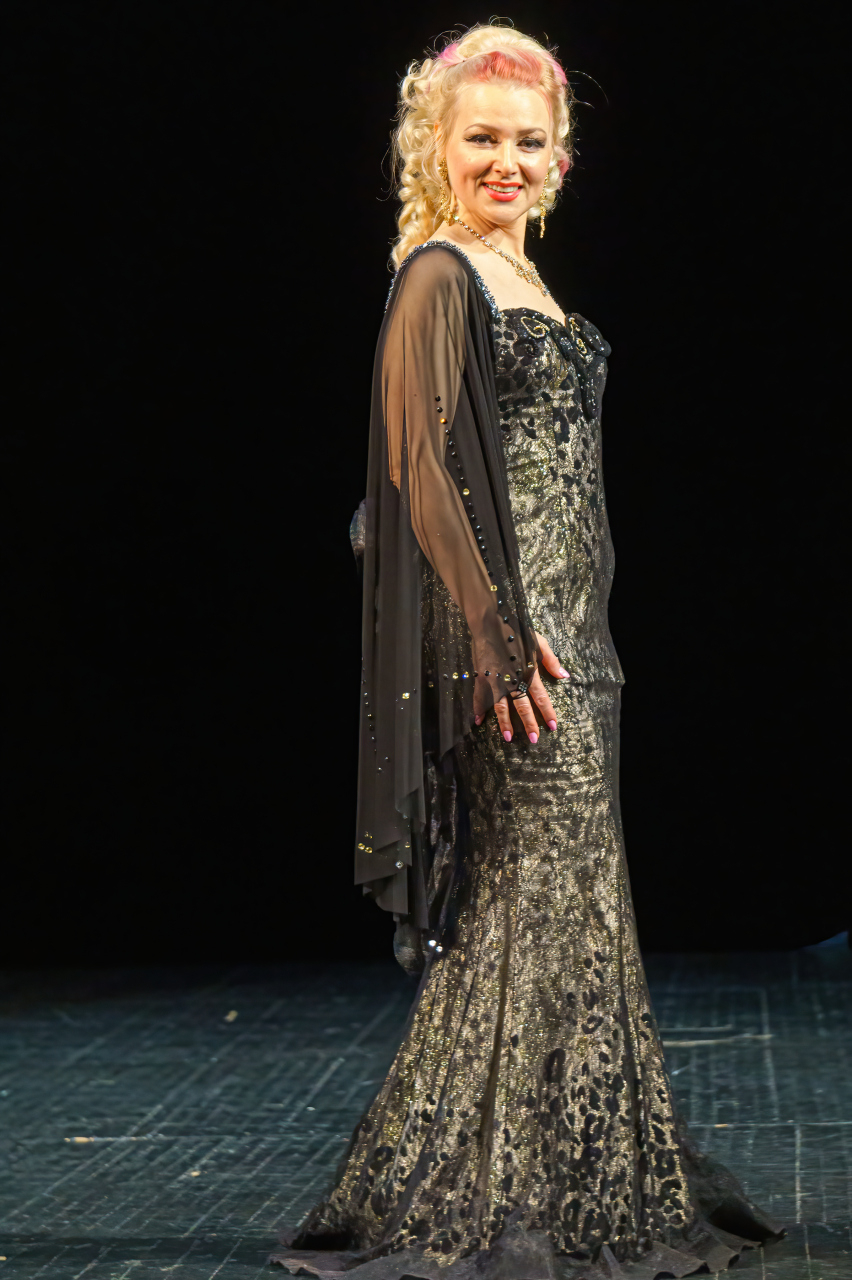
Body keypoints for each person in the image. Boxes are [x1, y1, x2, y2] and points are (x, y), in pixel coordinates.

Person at [272, 24, 784, 1280]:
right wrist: (499, 641)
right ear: (435, 147)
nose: (507, 159)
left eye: (529, 141)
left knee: (557, 908)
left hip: (576, 643)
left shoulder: (523, 275)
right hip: (517, 653)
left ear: (561, 159)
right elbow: (414, 468)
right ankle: (500, 1197)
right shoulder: (439, 274)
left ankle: (555, 1172)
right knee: (536, 905)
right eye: (482, 138)